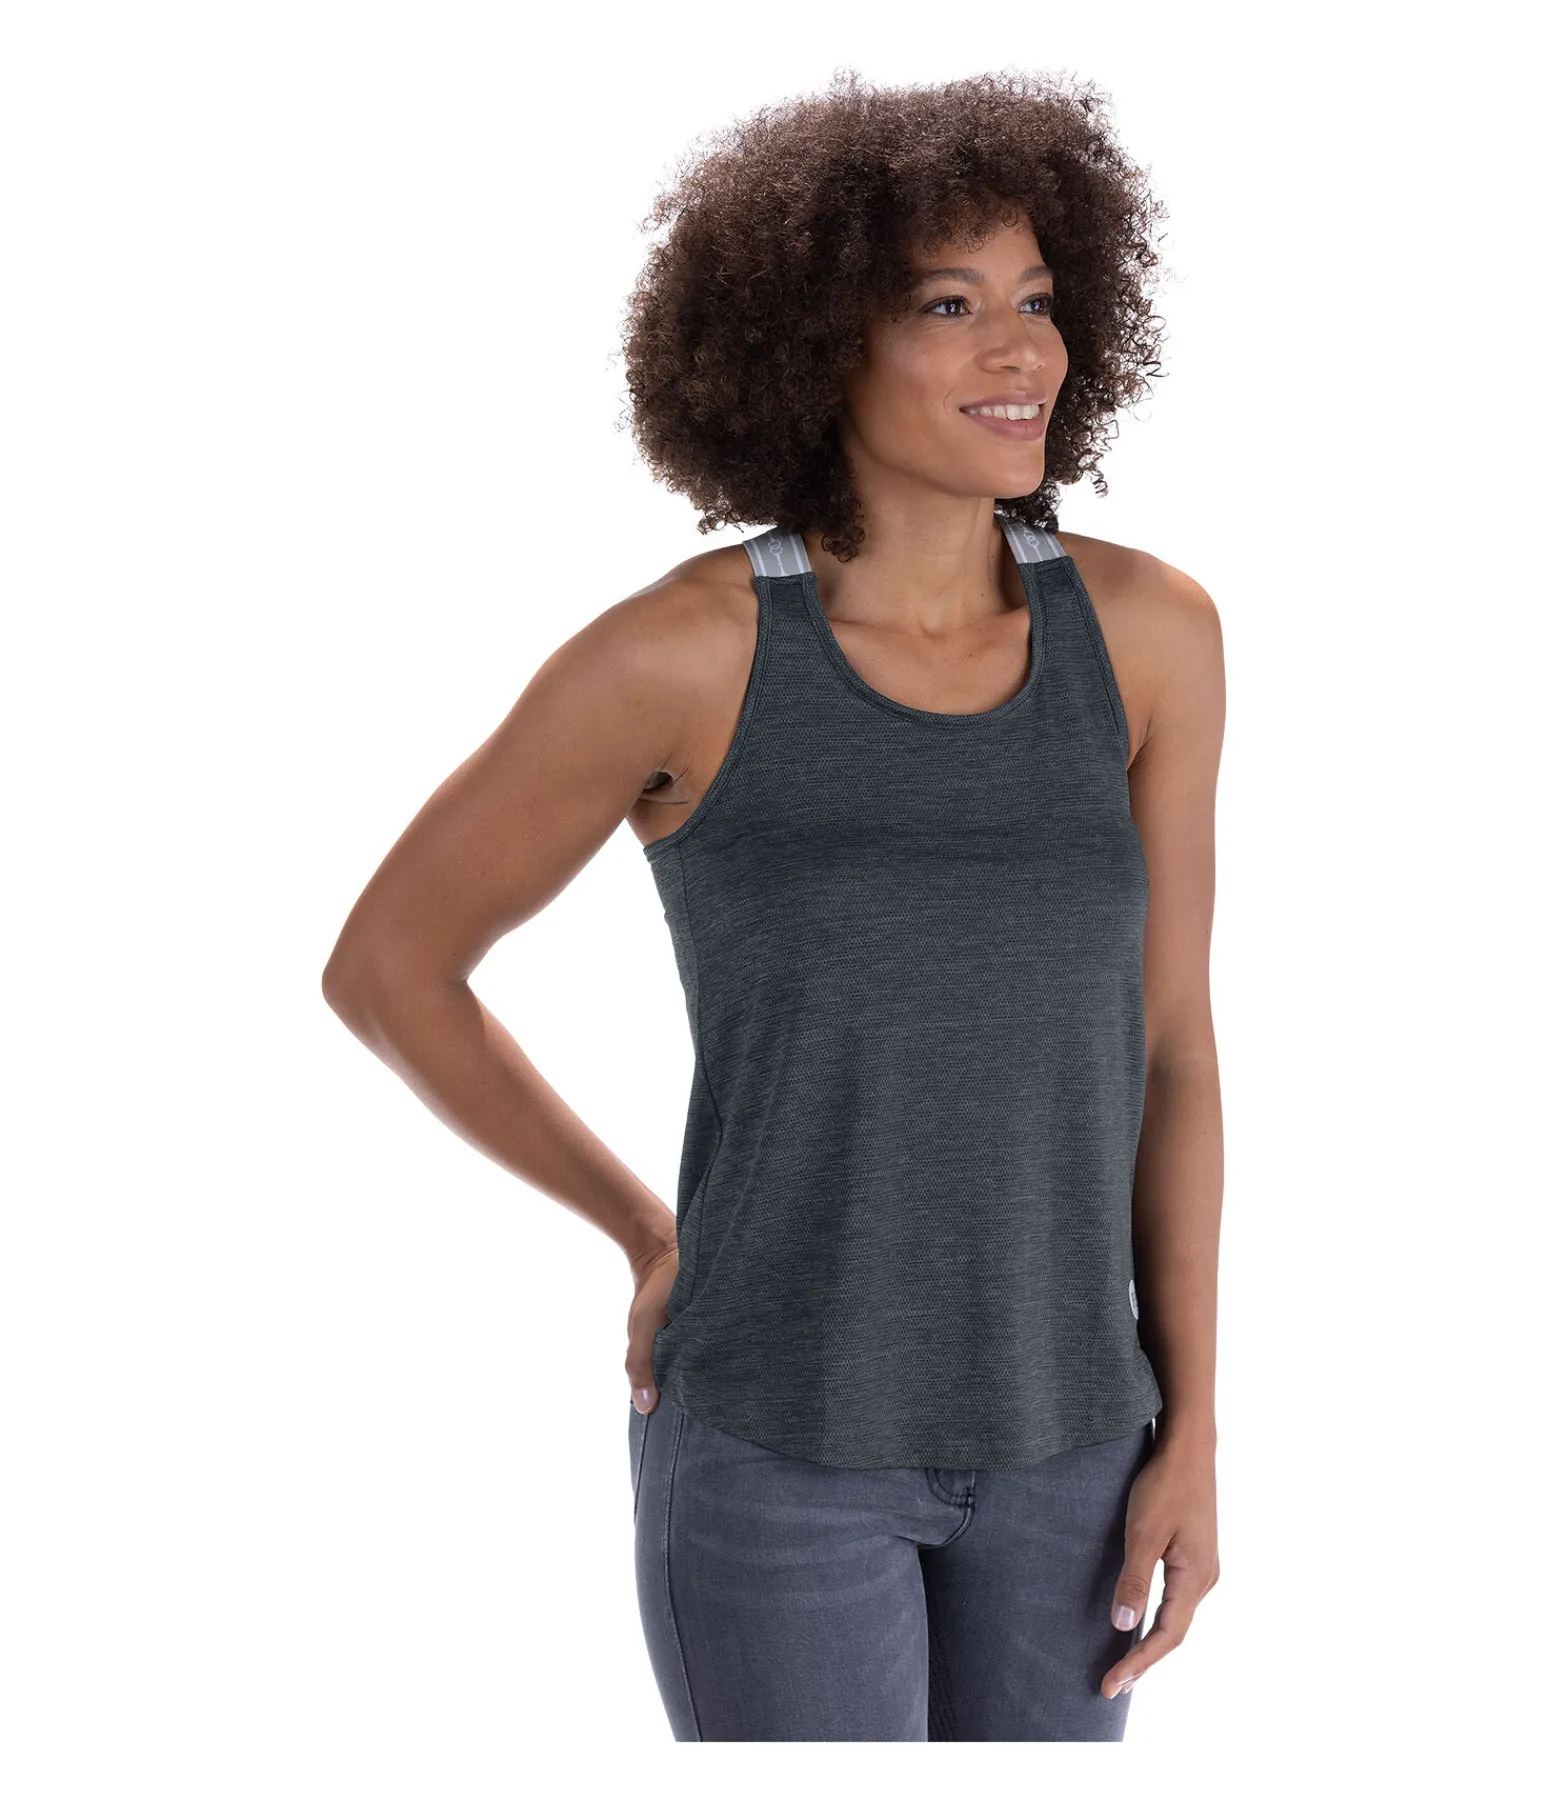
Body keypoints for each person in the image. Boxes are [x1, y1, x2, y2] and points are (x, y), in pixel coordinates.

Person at [322, 67, 1224, 1742]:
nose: (1020, 351)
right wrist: (645, 1231)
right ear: (812, 346)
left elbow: (1170, 1051)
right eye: (947, 306)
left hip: (1075, 1449)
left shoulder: (1151, 636)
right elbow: (389, 970)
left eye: (1037, 300)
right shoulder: (677, 656)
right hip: (775, 1451)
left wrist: (1195, 1430)